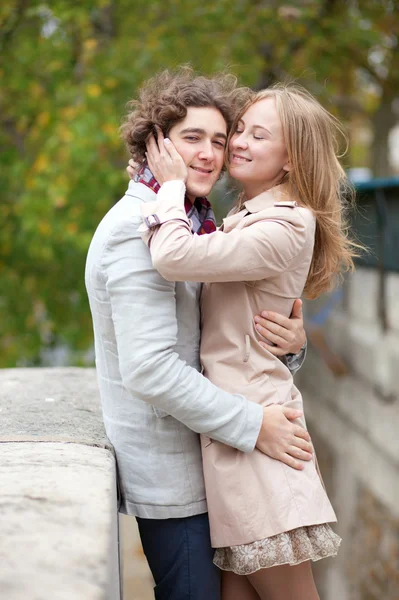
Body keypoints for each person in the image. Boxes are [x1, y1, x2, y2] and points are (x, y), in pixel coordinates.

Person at [85, 69, 310, 600]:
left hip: (214, 467)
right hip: (178, 484)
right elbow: (151, 369)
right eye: (191, 138)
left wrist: (291, 346)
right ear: (154, 144)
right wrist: (256, 425)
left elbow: (220, 334)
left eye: (218, 139)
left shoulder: (193, 221)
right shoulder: (136, 228)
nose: (210, 153)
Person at [138, 82, 359, 600]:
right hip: (238, 438)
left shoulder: (283, 225)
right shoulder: (244, 215)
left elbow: (172, 256)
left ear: (289, 160)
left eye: (259, 136)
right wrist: (292, 343)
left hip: (262, 440)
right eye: (241, 128)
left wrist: (167, 186)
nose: (238, 142)